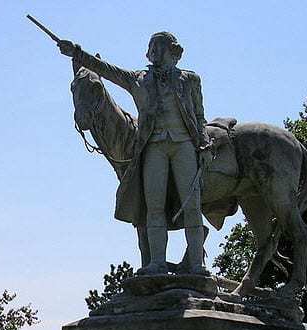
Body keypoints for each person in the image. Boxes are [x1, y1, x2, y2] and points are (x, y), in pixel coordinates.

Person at [58, 32, 211, 275]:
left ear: (173, 51)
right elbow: (105, 69)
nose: (154, 52)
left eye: (159, 48)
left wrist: (203, 146)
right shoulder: (138, 79)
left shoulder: (190, 80)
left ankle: (197, 265)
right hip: (153, 148)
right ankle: (157, 263)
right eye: (152, 48)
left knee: (192, 206)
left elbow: (200, 117)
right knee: (154, 207)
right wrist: (77, 52)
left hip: (184, 145)